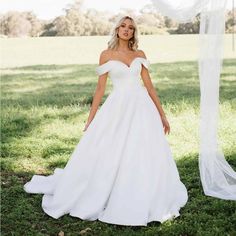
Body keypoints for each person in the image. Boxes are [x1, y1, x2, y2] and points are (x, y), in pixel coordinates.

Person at [24, 15, 188, 226]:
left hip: (141, 107)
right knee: (112, 147)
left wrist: (162, 114)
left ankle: (142, 187)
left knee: (143, 148)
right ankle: (106, 186)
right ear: (117, 29)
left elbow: (149, 86)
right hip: (118, 107)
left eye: (130, 27)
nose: (126, 30)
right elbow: (100, 88)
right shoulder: (106, 55)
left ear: (134, 32)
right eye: (123, 26)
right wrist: (91, 119)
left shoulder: (140, 54)